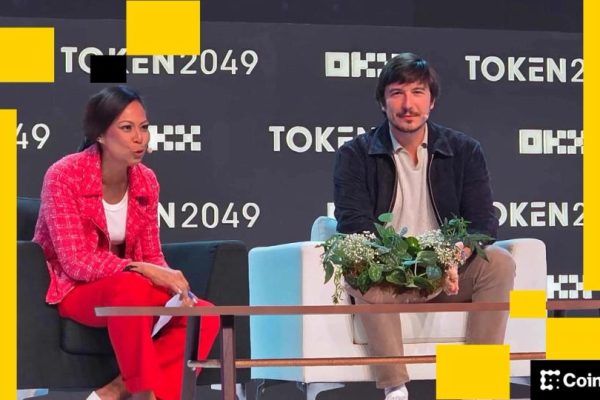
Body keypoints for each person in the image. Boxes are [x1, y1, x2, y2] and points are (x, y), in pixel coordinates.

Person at [333, 53, 515, 400]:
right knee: (358, 265)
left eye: (417, 92)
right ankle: (395, 388)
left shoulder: (464, 151)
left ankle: (477, 386)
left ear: (431, 102)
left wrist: (456, 253)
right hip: (389, 275)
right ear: (383, 102)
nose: (408, 104)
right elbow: (353, 223)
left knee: (499, 262)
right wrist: (401, 261)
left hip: (448, 271)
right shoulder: (354, 155)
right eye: (397, 93)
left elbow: (483, 221)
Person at [33, 86, 220, 400]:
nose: (139, 138)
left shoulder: (146, 180)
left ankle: (120, 390)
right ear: (100, 135)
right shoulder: (64, 176)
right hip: (74, 289)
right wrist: (142, 269)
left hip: (128, 285)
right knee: (131, 287)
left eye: (144, 127)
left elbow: (151, 254)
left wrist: (171, 282)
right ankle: (142, 393)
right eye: (127, 128)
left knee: (203, 312)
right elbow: (75, 261)